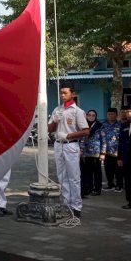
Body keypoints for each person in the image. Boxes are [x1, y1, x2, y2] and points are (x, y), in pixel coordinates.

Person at [47, 84, 90, 218]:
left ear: (73, 94)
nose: (62, 95)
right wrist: (55, 120)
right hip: (58, 144)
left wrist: (68, 135)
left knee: (74, 177)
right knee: (62, 176)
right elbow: (50, 129)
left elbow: (85, 131)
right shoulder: (57, 109)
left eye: (65, 93)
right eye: (61, 93)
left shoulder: (77, 111)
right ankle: (65, 204)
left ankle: (76, 206)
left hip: (70, 144)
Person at [81, 109, 105, 196]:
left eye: (93, 115)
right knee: (87, 172)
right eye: (89, 115)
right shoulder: (83, 125)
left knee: (97, 172)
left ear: (96, 116)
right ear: (86, 116)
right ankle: (89, 188)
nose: (91, 117)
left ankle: (97, 189)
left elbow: (104, 140)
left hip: (96, 153)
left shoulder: (100, 126)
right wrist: (81, 150)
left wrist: (102, 153)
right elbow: (81, 138)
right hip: (85, 152)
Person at [101, 108, 123, 191]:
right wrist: (102, 152)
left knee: (118, 170)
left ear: (116, 115)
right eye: (109, 114)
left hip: (117, 151)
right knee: (108, 169)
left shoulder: (120, 125)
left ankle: (119, 185)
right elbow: (102, 138)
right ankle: (110, 184)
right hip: (107, 151)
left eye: (112, 114)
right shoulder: (104, 125)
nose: (110, 116)